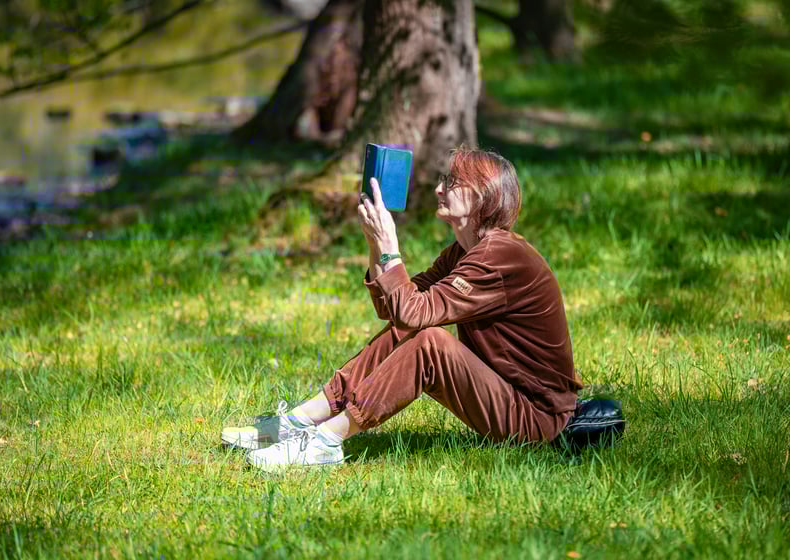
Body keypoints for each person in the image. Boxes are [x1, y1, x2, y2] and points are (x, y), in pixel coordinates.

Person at [222, 146, 582, 473]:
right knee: (411, 330)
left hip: (538, 419)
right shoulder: (464, 252)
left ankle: (325, 442)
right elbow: (396, 311)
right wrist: (374, 245)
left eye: (451, 182)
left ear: (480, 196)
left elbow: (412, 313)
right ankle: (300, 421)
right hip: (504, 394)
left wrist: (390, 247)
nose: (439, 189)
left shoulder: (501, 256)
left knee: (431, 343)